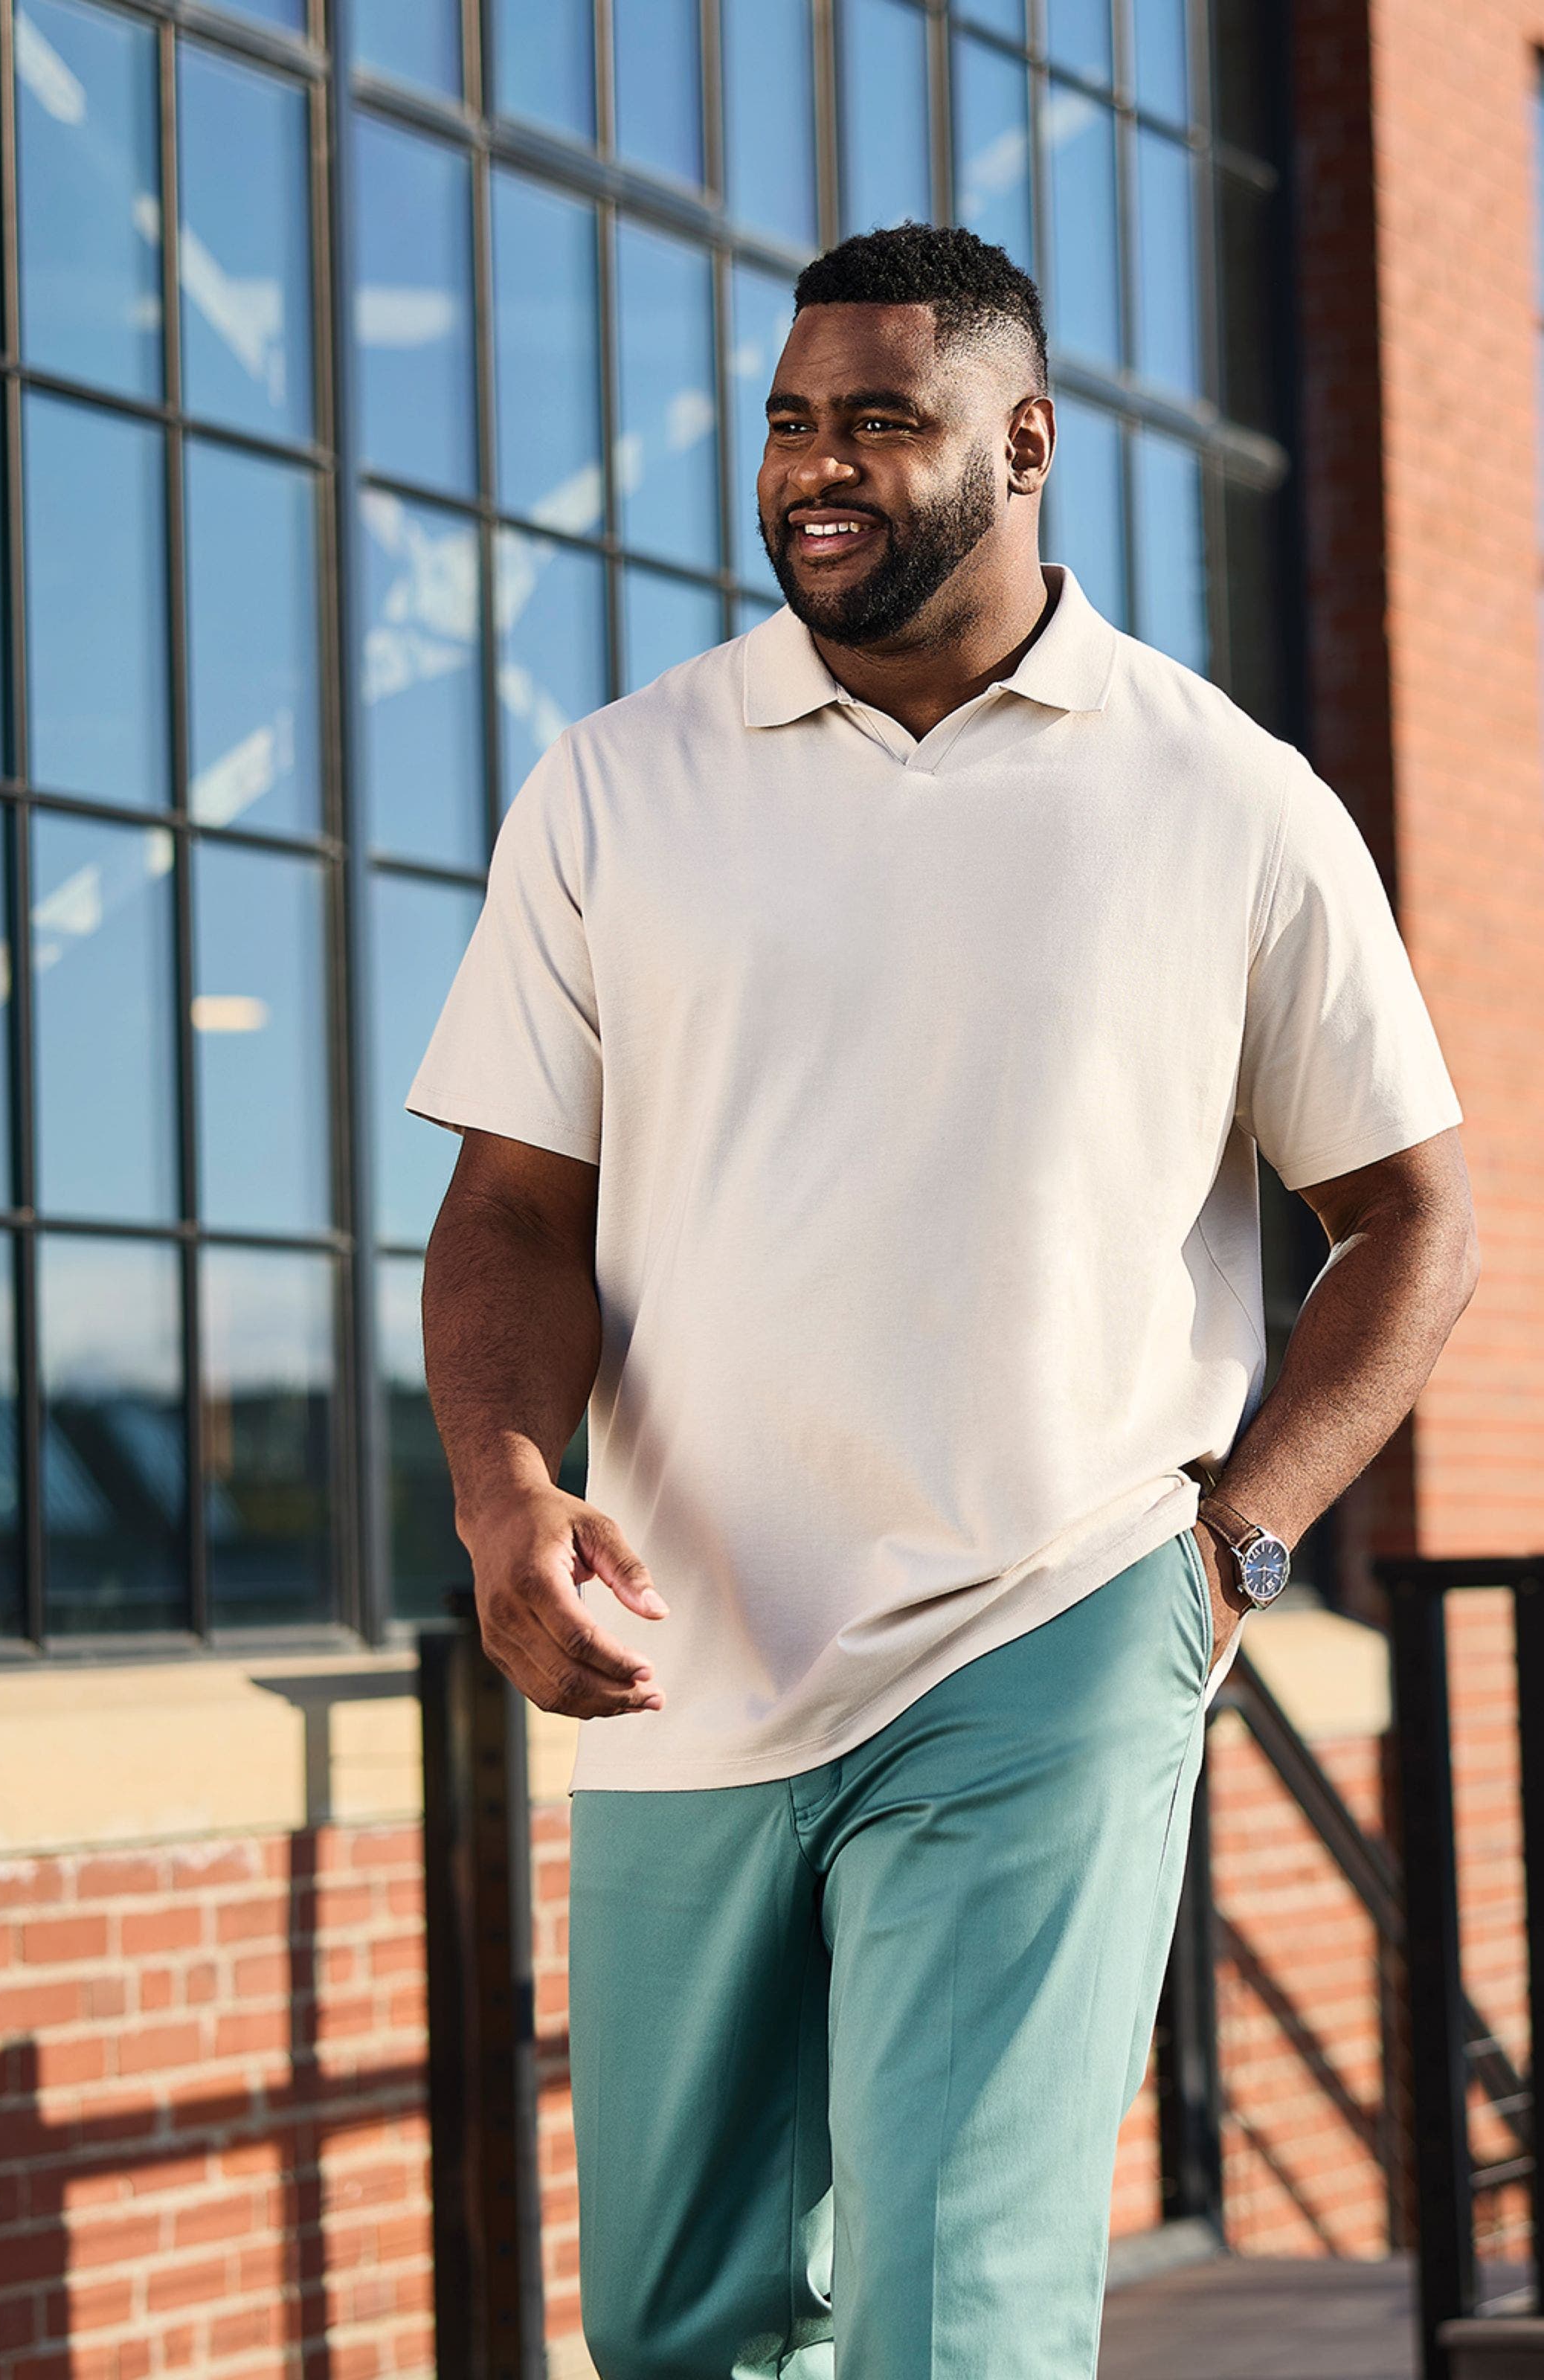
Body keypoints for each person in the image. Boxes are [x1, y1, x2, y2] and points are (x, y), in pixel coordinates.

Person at [408, 224, 1477, 2379]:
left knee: (948, 2321)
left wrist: (1228, 1551)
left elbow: (1417, 1216)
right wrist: (506, 1495)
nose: (818, 467)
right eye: (793, 422)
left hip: (1051, 1623)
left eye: (880, 424)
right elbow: (516, 1204)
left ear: (1025, 443)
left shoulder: (1228, 799)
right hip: (681, 1656)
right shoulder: (622, 780)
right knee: (682, 2326)